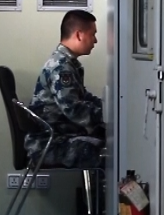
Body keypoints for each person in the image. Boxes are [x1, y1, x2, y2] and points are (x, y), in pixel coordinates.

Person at [24, 10, 105, 170]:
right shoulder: (61, 67)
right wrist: (107, 115)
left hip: (55, 138)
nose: (95, 40)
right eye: (93, 34)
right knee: (108, 153)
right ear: (79, 35)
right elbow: (74, 110)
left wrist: (107, 108)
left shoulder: (67, 64)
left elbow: (83, 97)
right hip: (49, 145)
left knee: (105, 136)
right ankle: (109, 188)